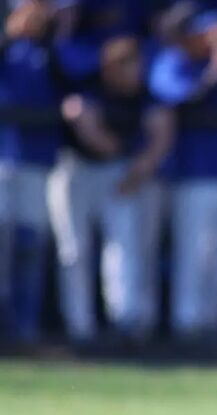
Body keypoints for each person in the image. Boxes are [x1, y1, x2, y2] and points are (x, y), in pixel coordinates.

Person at [47, 33, 174, 341]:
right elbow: (86, 127)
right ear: (110, 68)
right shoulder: (89, 85)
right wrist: (118, 151)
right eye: (128, 67)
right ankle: (80, 326)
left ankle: (124, 322)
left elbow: (162, 130)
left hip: (119, 173)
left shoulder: (144, 94)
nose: (136, 73)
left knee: (123, 247)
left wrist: (138, 168)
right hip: (76, 169)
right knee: (74, 250)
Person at [149, 9, 217, 340]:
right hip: (190, 174)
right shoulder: (170, 62)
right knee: (193, 253)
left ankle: (211, 322)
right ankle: (186, 324)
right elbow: (186, 100)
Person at [0, 0, 61, 342]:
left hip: (36, 161)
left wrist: (51, 32)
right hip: (2, 157)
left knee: (30, 244)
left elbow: (70, 77)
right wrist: (11, 34)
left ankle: (24, 328)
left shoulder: (49, 50)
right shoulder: (8, 49)